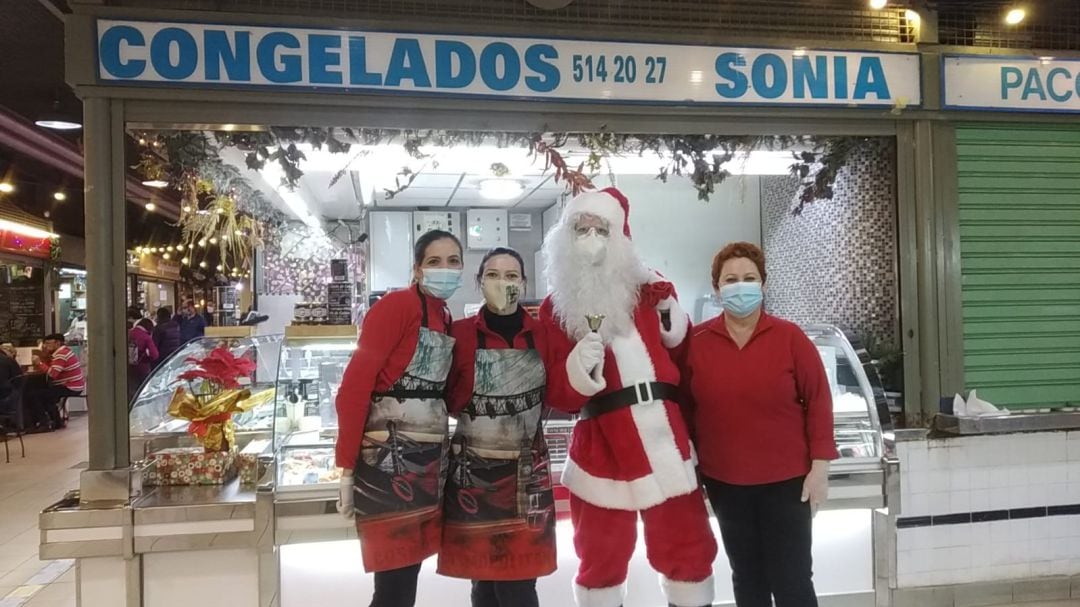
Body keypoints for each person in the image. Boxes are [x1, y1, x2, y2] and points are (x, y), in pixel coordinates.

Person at [537, 188, 717, 607]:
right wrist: (578, 368)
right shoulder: (555, 308)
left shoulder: (647, 291)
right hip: (602, 444)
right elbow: (559, 395)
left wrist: (672, 312)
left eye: (602, 228)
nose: (591, 237)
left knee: (687, 548)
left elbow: (684, 356)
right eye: (580, 229)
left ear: (621, 237)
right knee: (600, 557)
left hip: (665, 437)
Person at [680, 242, 838, 607]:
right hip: (726, 483)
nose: (740, 286)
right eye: (730, 279)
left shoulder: (790, 338)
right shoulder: (697, 342)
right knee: (747, 577)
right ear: (717, 290)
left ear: (763, 285)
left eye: (749, 278)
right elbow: (684, 408)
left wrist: (820, 467)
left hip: (787, 483)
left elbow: (819, 401)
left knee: (793, 578)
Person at [335, 229, 463, 607]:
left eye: (453, 261)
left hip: (426, 462)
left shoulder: (443, 314)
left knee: (408, 571)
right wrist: (345, 466)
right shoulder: (396, 306)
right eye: (434, 262)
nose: (445, 269)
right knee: (394, 583)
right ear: (417, 268)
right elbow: (354, 387)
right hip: (388, 463)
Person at [440, 247, 556, 607]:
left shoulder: (544, 334)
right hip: (473, 477)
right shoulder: (457, 334)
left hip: (527, 475)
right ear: (479, 283)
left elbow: (565, 397)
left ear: (523, 283)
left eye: (510, 276)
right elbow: (441, 397)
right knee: (483, 585)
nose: (501, 282)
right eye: (492, 275)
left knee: (519, 586)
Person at [28, 334, 85, 430]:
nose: (45, 346)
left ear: (57, 343)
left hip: (70, 386)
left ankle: (44, 424)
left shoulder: (61, 354)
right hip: (73, 385)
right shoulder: (63, 351)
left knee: (35, 395)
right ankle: (56, 422)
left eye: (48, 343)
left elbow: (52, 374)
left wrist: (39, 363)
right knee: (45, 394)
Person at [128, 318, 159, 403]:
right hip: (142, 367)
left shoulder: (128, 333)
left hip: (128, 367)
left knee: (131, 389)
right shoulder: (146, 337)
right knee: (143, 390)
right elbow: (155, 355)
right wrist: (147, 358)